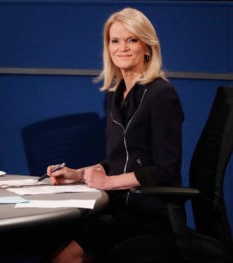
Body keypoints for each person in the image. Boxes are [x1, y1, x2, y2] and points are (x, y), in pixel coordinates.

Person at [48, 7, 184, 263]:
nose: (122, 47)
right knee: (51, 238)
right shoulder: (116, 93)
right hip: (120, 205)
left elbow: (167, 169)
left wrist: (108, 182)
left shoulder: (161, 95)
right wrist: (79, 174)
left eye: (132, 40)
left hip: (148, 211)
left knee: (67, 256)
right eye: (115, 40)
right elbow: (122, 160)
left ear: (148, 47)